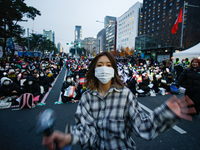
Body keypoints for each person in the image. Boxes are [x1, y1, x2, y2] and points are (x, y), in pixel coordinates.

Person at [43, 52, 196, 150]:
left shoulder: (125, 95)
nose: (104, 68)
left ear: (114, 70)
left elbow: (143, 127)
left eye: (109, 65)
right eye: (100, 65)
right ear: (94, 70)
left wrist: (166, 114)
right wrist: (68, 137)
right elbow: (86, 131)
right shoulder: (86, 98)